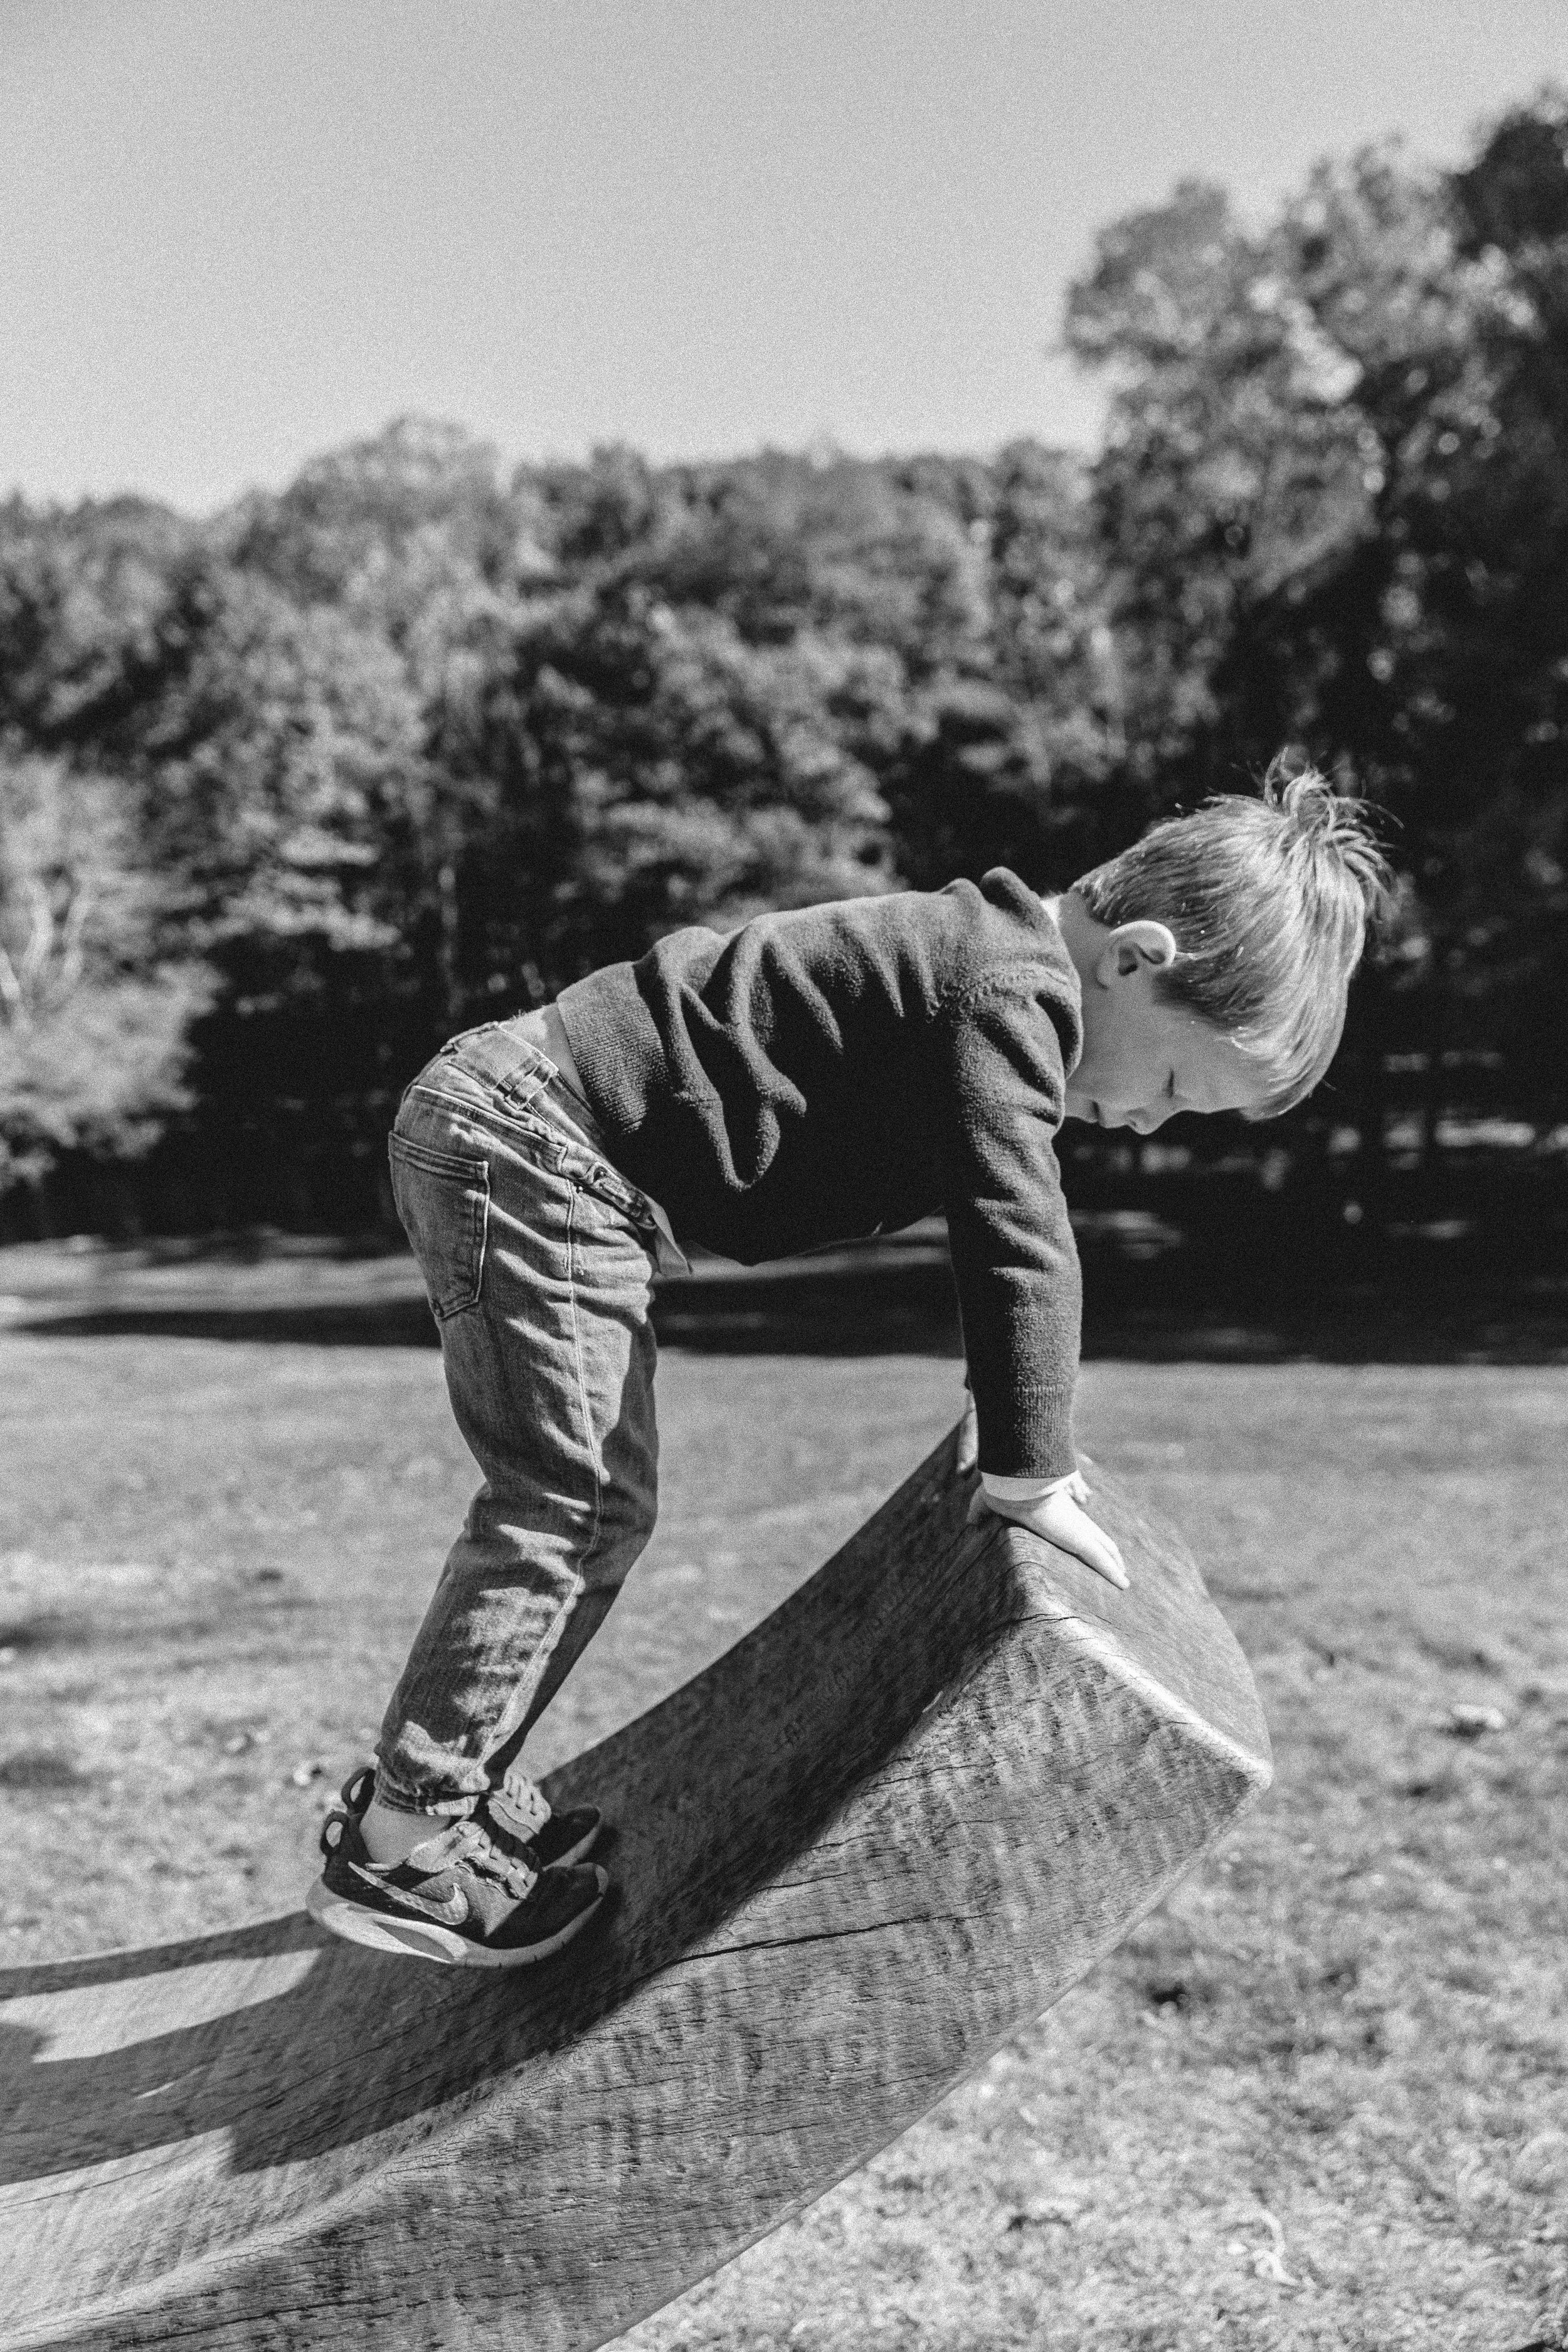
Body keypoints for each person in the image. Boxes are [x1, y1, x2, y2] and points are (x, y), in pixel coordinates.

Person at [307, 757, 1389, 1967]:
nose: (1151, 1121)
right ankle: (405, 1839)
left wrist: (1000, 1413)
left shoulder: (987, 967)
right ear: (1132, 959)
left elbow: (989, 1202)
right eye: (1181, 1084)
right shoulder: (1009, 985)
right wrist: (1035, 1468)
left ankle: (447, 1788)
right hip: (537, 1136)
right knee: (575, 1504)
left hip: (527, 1127)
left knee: (597, 1506)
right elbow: (1017, 1226)